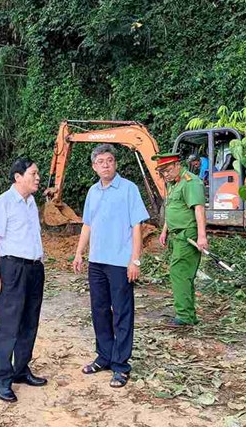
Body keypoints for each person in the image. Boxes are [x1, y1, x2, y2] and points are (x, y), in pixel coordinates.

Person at [72, 144, 150, 388]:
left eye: (110, 160)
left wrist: (134, 259)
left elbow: (136, 226)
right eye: (101, 161)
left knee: (122, 313)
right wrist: (79, 253)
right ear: (94, 166)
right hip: (96, 261)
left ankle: (120, 365)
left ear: (115, 164)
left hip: (119, 262)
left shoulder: (129, 189)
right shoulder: (93, 192)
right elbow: (87, 225)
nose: (106, 165)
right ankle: (104, 356)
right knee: (100, 311)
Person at [0, 158, 46, 403]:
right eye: (33, 173)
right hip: (12, 269)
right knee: (9, 326)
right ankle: (1, 378)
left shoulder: (31, 202)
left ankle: (21, 370)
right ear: (18, 177)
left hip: (34, 269)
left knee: (29, 323)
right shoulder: (3, 203)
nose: (38, 177)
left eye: (37, 173)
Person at [154, 152, 209, 326]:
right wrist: (165, 231)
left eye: (168, 170)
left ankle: (184, 316)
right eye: (163, 172)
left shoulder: (190, 182)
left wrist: (202, 236)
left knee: (180, 274)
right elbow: (173, 208)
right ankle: (188, 315)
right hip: (176, 235)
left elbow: (199, 209)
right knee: (182, 274)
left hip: (188, 236)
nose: (166, 175)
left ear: (178, 165)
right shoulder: (173, 183)